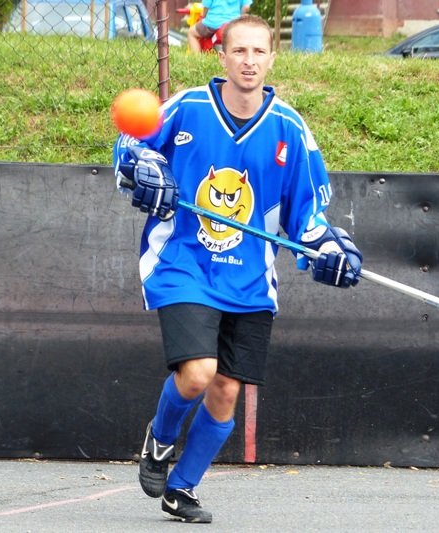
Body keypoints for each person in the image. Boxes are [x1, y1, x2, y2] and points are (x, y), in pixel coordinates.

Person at [112, 14, 362, 524]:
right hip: (184, 262)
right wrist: (143, 167)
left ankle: (181, 488)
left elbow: (308, 214)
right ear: (221, 55)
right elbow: (130, 148)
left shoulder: (289, 127)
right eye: (240, 51)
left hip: (250, 279)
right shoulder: (187, 107)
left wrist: (326, 249)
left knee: (226, 390)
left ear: (272, 58)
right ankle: (161, 439)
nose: (249, 61)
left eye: (259, 52)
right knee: (198, 372)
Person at [186, 0, 251, 54]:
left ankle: (197, 57)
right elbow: (246, 7)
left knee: (191, 32)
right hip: (233, 24)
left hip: (213, 23)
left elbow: (206, 7)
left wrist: (204, 16)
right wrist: (239, 17)